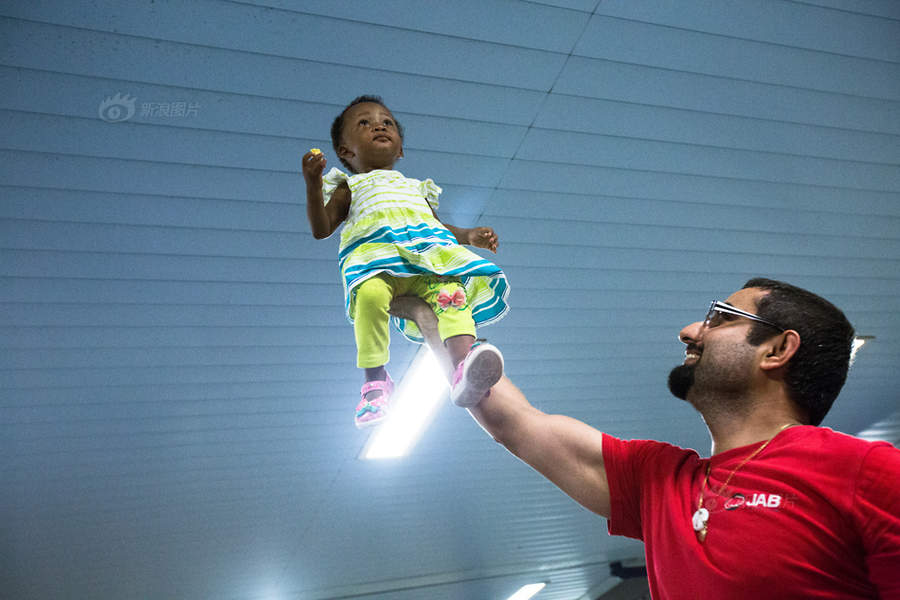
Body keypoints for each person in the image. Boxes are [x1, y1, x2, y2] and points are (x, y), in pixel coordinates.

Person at [392, 278, 900, 599]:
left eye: (719, 319)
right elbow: (510, 419)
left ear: (777, 350)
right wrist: (427, 311)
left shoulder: (870, 472)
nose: (688, 330)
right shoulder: (658, 481)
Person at [302, 95, 508, 428]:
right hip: (377, 265)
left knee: (452, 293)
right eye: (364, 123)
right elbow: (321, 228)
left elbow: (437, 228)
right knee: (368, 297)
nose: (379, 125)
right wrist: (313, 183)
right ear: (345, 151)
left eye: (387, 122)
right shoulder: (350, 187)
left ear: (400, 149)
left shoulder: (416, 189)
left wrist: (469, 236)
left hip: (425, 265)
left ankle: (462, 367)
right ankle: (376, 381)